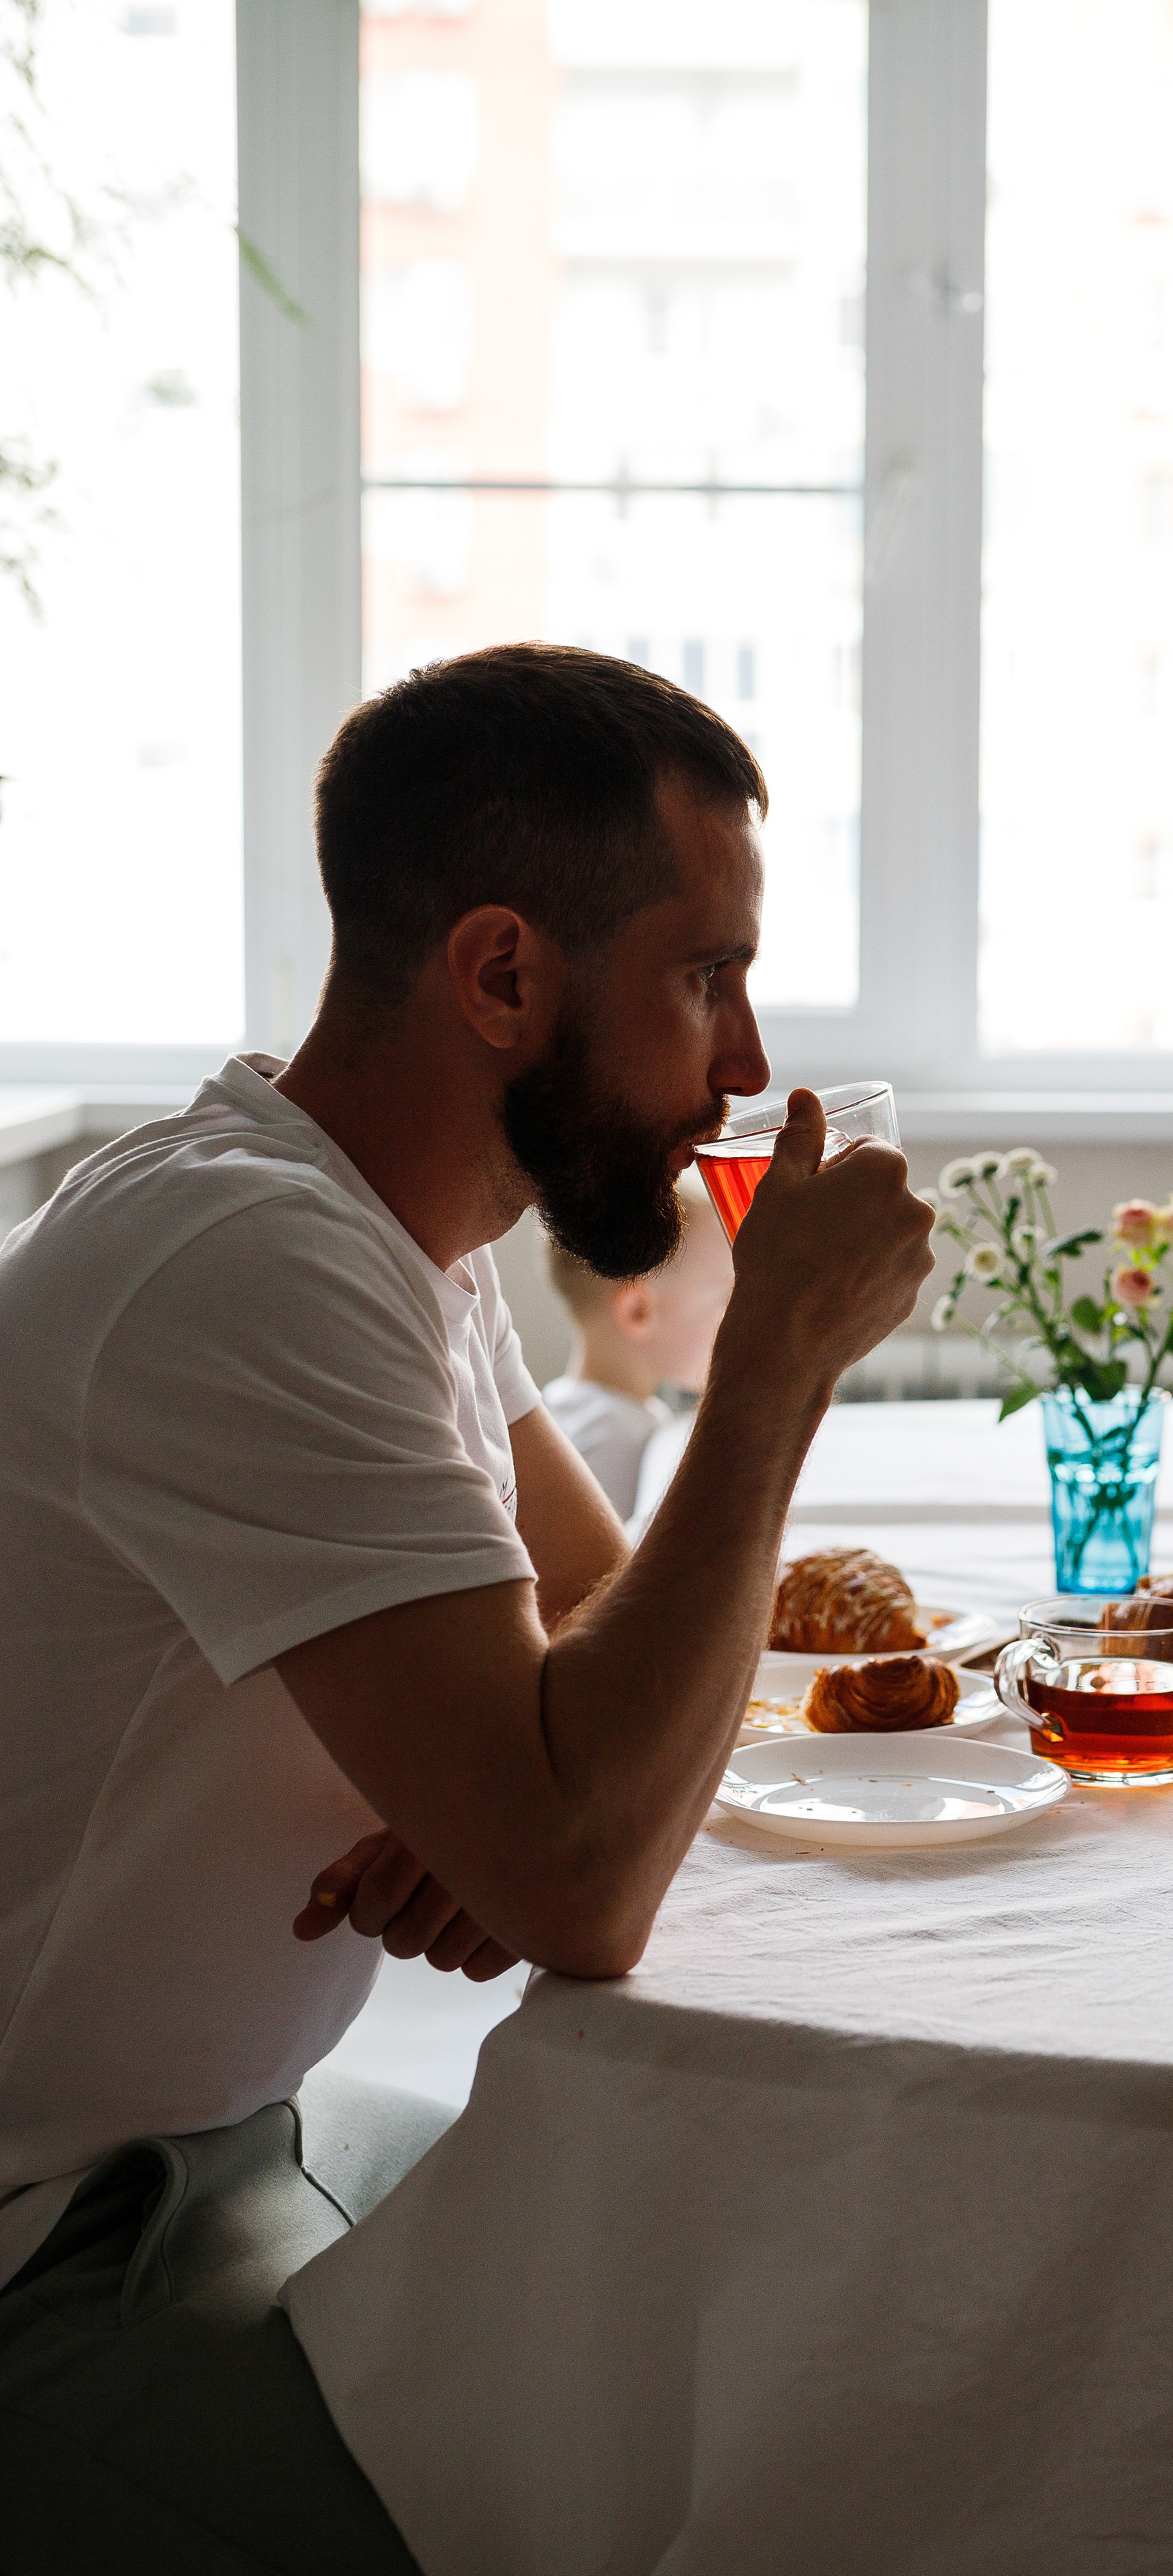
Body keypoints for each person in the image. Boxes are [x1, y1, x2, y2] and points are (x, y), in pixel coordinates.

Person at [0, 643, 934, 2569]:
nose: (750, 1067)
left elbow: (603, 1633)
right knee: (709, 2497)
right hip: (56, 2257)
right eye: (705, 978)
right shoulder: (246, 1261)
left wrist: (506, 1792)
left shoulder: (390, 1237)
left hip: (244, 2143)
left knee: (761, 2286)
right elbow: (585, 1879)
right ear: (505, 974)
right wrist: (774, 1374)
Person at [540, 1178, 733, 1517]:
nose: (741, 1316)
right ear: (638, 1312)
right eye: (727, 1298)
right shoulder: (620, 1445)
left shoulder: (558, 1406)